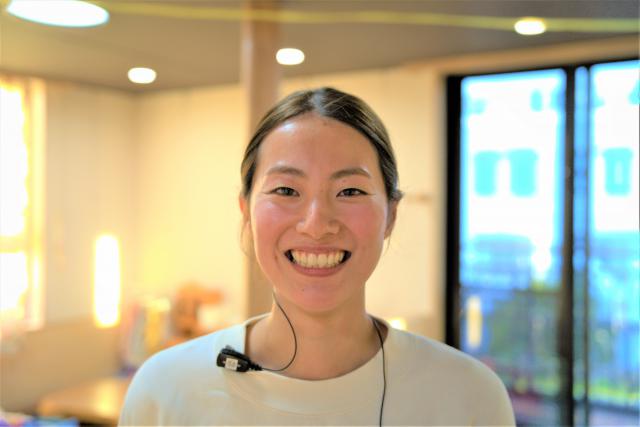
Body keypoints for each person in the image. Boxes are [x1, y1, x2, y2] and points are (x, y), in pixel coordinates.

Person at [119, 87, 515, 426]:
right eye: (286, 191)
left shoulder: (468, 396)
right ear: (246, 212)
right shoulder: (166, 390)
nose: (316, 224)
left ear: (391, 215)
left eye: (350, 191)